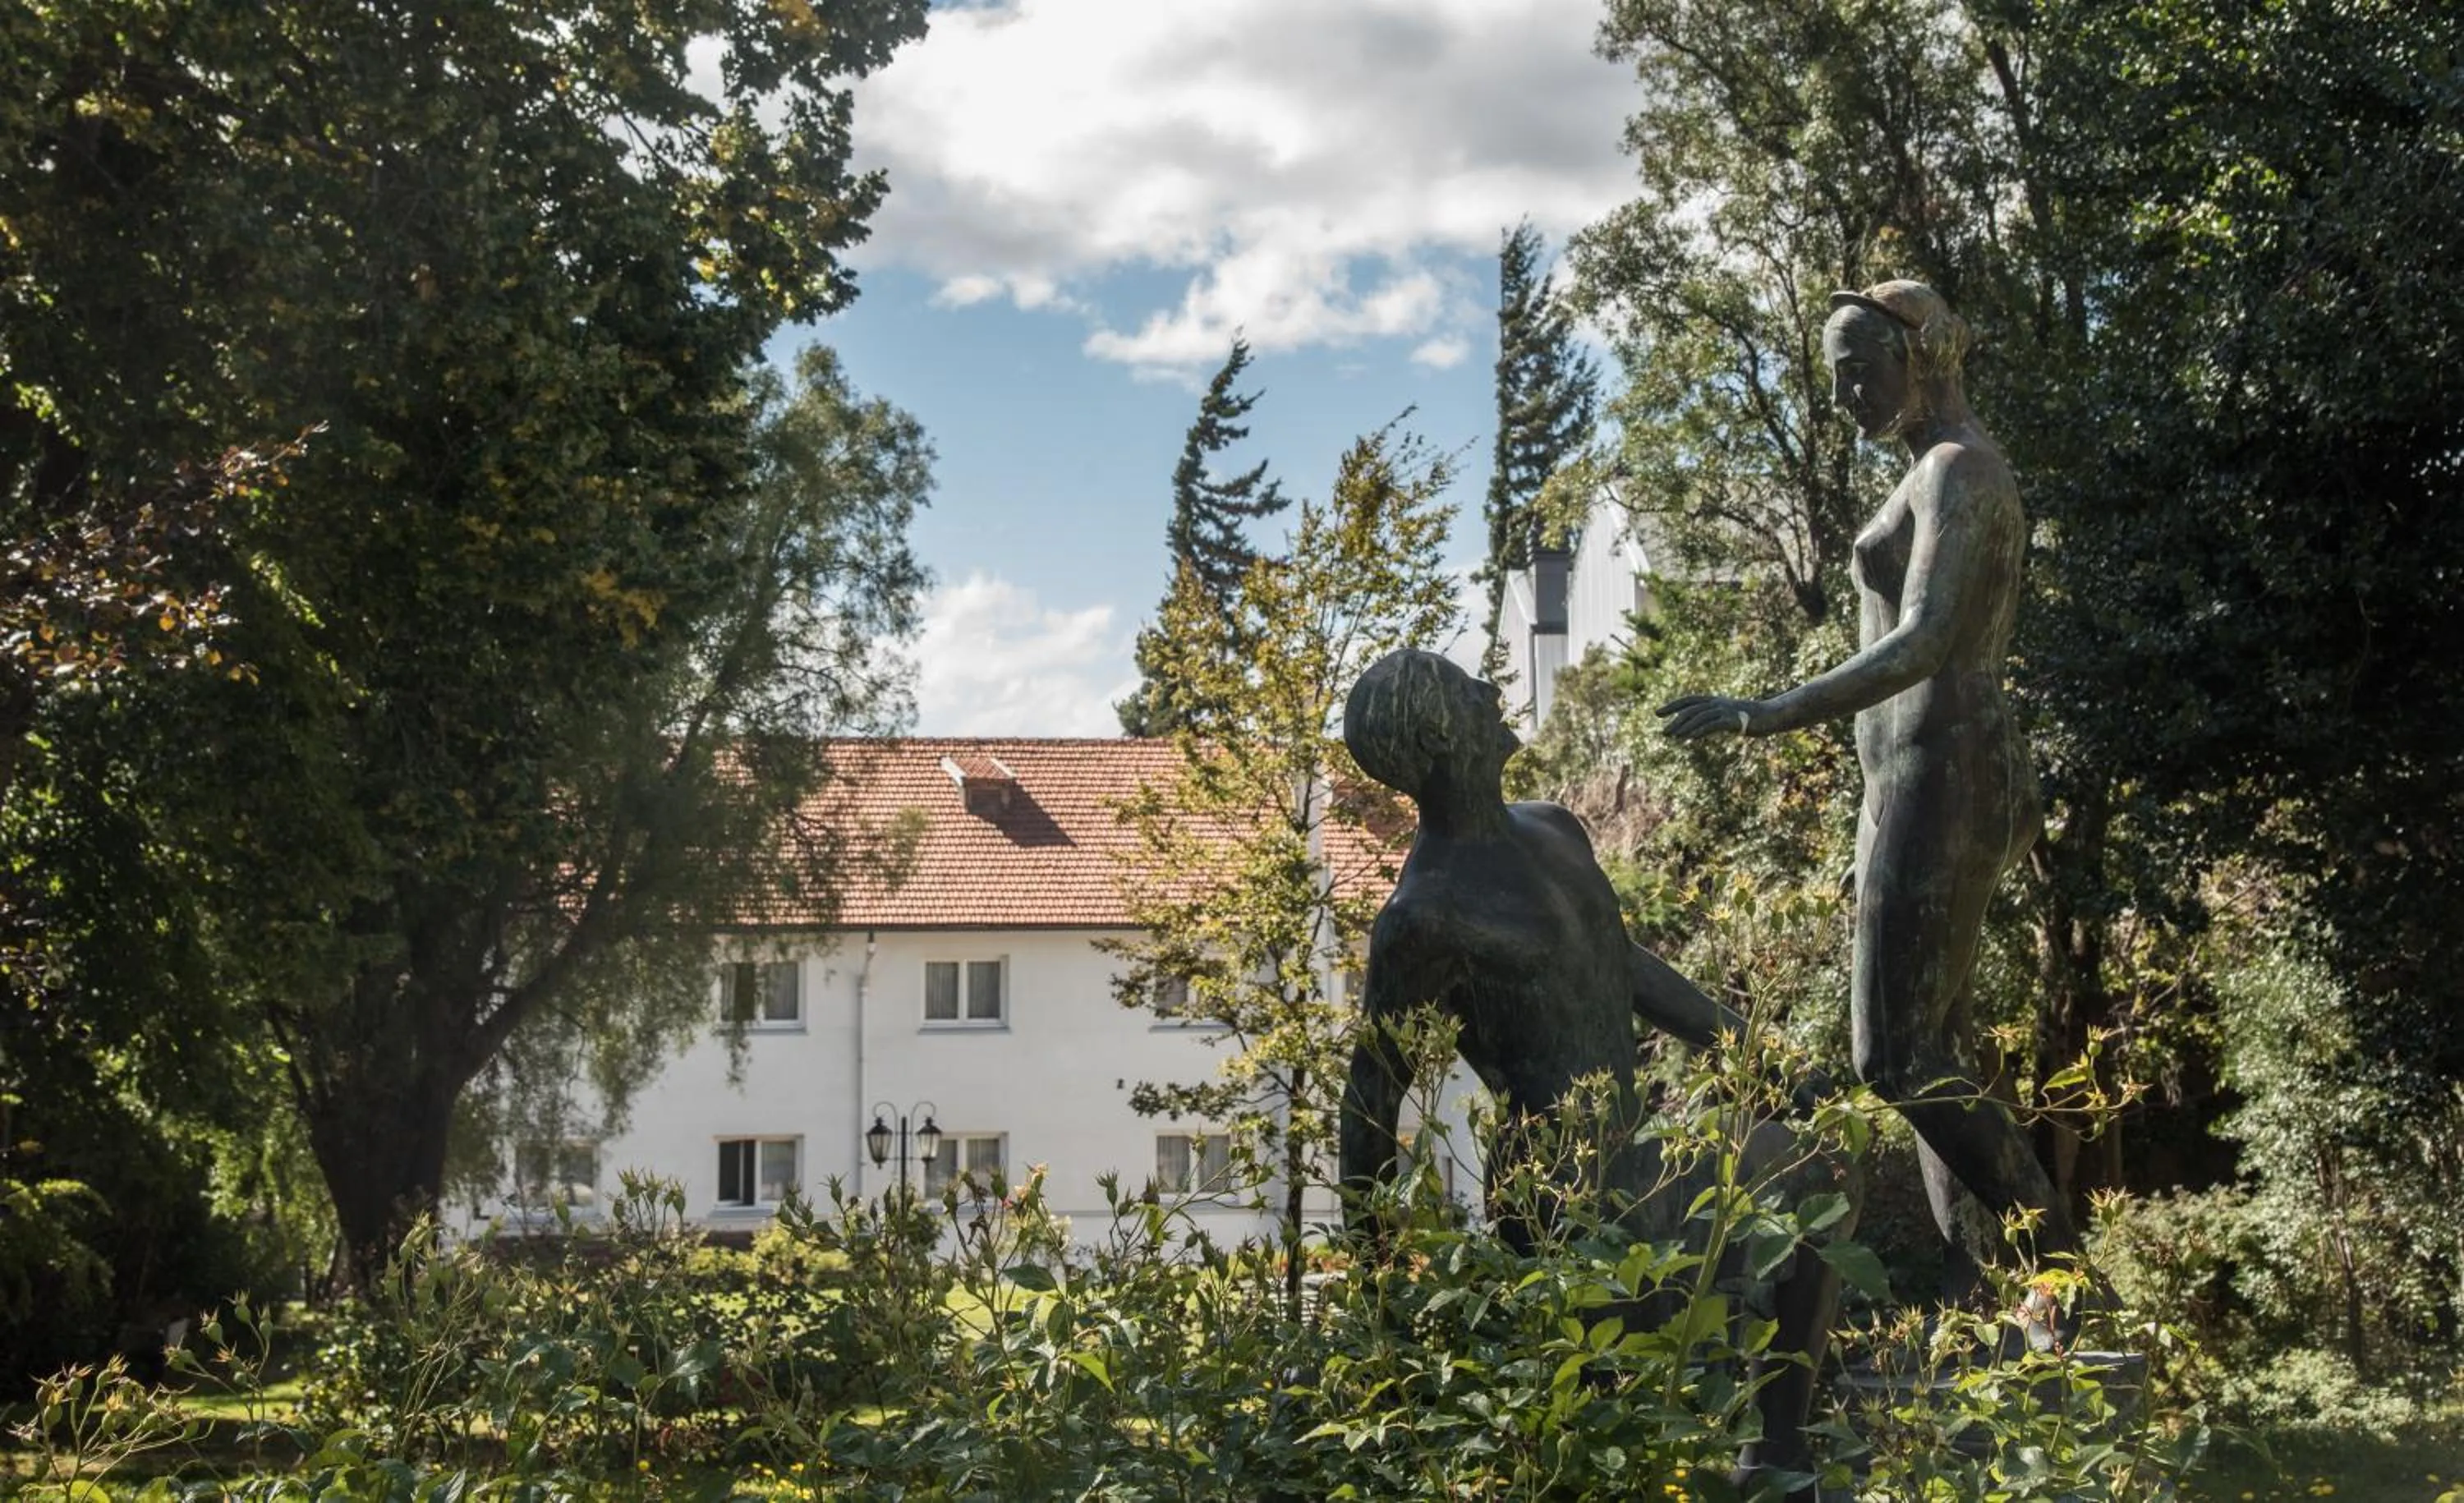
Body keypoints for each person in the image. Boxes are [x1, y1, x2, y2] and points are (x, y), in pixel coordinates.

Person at [1338, 646, 1848, 1496]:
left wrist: (1766, 1061)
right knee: (1596, 1447)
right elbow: (1368, 1105)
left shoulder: (1554, 828)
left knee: (1821, 1170)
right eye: (1467, 688)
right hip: (1562, 1203)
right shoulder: (1421, 919)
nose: (1489, 688)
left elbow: (1626, 967)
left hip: (1644, 1155)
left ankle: (1780, 1458)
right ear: (1438, 731)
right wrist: (1384, 1297)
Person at [1658, 278, 2078, 1288]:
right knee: (1937, 1056)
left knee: (1893, 1058)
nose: (1844, 394)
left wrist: (1768, 711)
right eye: (1836, 375)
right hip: (1918, 781)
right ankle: (1992, 1294)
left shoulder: (1960, 471)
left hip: (1945, 774)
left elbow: (1926, 640)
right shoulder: (1935, 470)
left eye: (1859, 370)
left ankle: (2066, 1283)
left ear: (1918, 357)